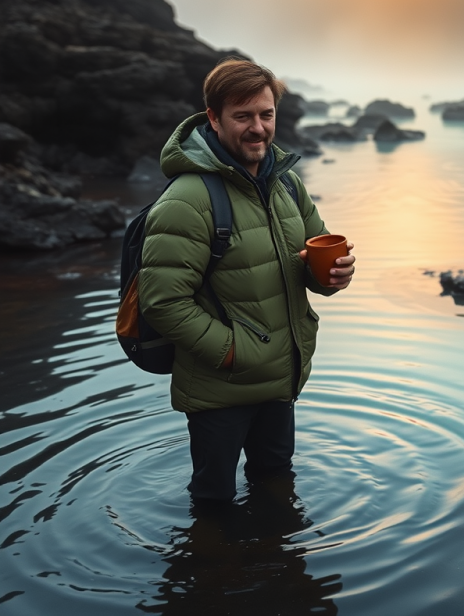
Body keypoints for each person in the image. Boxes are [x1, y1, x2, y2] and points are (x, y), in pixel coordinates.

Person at [138, 58, 355, 502]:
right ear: (214, 119)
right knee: (214, 500)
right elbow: (161, 302)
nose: (258, 128)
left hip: (280, 377)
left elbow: (313, 266)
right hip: (222, 386)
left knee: (275, 481)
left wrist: (335, 276)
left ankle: (277, 562)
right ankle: (213, 569)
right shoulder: (187, 200)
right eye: (243, 116)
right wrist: (234, 351)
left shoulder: (288, 185)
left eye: (266, 114)